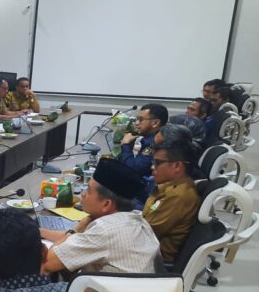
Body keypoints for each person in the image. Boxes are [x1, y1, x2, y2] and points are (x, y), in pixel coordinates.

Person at [41, 158, 161, 274]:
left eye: (88, 190)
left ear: (106, 204)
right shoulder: (136, 217)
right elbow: (73, 239)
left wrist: (77, 228)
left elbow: (48, 263)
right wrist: (40, 232)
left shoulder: (105, 230)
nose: (82, 194)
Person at [143, 125, 201, 264]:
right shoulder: (169, 188)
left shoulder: (177, 196)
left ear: (177, 166)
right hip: (146, 248)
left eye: (157, 163)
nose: (152, 167)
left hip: (151, 259)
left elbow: (143, 234)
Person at [120, 103, 168, 204]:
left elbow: (134, 170)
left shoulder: (154, 142)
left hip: (141, 196)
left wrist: (125, 145)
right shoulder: (150, 138)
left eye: (141, 120)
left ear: (155, 122)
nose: (137, 123)